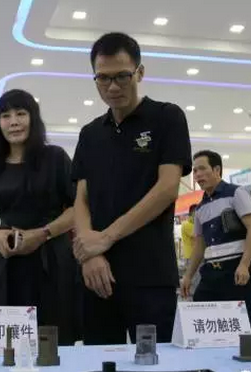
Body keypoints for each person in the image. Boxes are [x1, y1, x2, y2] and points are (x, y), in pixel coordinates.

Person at [71, 32, 192, 344]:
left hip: (150, 274)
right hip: (97, 275)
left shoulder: (167, 117)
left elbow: (167, 188)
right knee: (98, 360)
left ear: (139, 72)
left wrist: (105, 238)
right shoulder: (89, 134)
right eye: (103, 78)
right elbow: (81, 200)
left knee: (155, 361)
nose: (112, 87)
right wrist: (88, 254)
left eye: (122, 76)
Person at [0, 89, 79, 344]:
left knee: (53, 339)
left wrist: (43, 233)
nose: (13, 122)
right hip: (8, 261)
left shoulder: (55, 157)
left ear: (33, 118)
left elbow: (77, 207)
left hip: (51, 258)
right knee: (6, 341)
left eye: (21, 114)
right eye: (5, 116)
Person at [180, 151, 251, 323]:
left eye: (202, 169)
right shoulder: (200, 208)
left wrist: (244, 264)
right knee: (203, 317)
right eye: (195, 171)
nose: (198, 175)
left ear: (217, 170)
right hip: (210, 272)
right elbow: (199, 245)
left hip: (236, 269)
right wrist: (188, 276)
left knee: (238, 325)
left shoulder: (235, 193)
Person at [180, 204, 198, 297]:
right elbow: (197, 236)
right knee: (192, 278)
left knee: (197, 278)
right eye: (197, 211)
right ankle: (190, 296)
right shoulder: (187, 225)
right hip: (191, 256)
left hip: (196, 256)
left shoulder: (193, 224)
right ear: (192, 213)